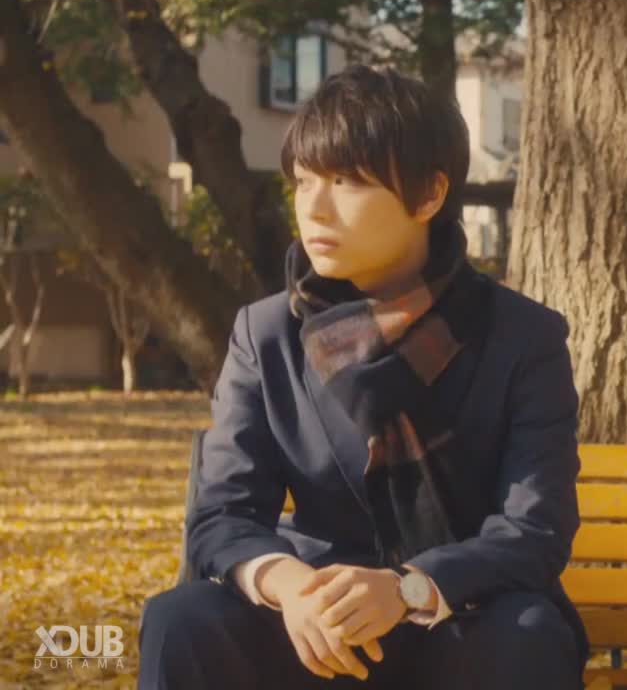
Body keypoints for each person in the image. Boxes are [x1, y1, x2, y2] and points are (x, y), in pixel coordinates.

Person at [137, 64, 588, 689]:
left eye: (346, 182)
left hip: (458, 616)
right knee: (181, 619)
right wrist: (291, 587)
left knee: (527, 635)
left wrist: (406, 589)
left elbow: (534, 529)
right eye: (303, 181)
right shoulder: (268, 333)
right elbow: (223, 516)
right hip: (315, 619)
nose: (314, 207)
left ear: (429, 195)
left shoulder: (519, 336)